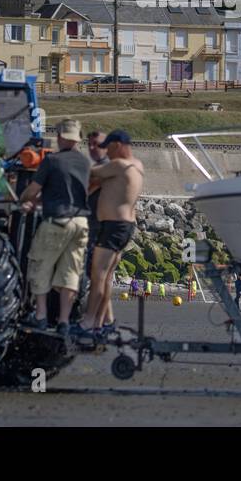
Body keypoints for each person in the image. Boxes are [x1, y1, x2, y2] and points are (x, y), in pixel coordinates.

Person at [17, 119, 91, 334]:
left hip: (57, 222)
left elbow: (33, 190)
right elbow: (67, 193)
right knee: (70, 273)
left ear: (60, 137)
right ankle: (64, 321)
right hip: (80, 223)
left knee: (41, 266)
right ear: (77, 139)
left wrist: (24, 200)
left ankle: (40, 316)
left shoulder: (52, 161)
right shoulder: (85, 163)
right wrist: (43, 201)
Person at [77, 131, 143, 335]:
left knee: (98, 276)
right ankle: (101, 322)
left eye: (108, 146)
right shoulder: (137, 165)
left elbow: (90, 173)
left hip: (114, 226)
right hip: (124, 227)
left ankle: (88, 322)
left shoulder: (118, 165)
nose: (106, 150)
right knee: (105, 278)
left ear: (119, 145)